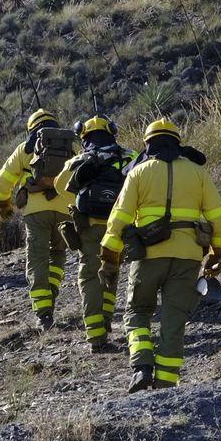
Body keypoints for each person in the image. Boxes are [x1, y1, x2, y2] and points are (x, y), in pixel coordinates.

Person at [100, 119, 221, 392]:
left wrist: (109, 259)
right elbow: (218, 216)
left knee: (137, 311)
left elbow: (119, 219)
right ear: (177, 142)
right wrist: (218, 253)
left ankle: (142, 367)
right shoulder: (197, 173)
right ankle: (166, 387)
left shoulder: (138, 173)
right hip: (187, 257)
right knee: (174, 321)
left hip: (148, 256)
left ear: (148, 144)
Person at [0, 109, 79, 330]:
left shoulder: (25, 149)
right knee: (58, 254)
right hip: (64, 209)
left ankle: (43, 313)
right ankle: (51, 293)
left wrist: (5, 204)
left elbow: (3, 180)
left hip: (35, 212)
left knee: (37, 258)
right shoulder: (70, 147)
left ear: (31, 128)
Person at [59, 116, 137, 352]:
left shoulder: (80, 159)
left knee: (90, 277)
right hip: (119, 226)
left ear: (83, 136)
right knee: (111, 272)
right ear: (112, 132)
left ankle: (96, 336)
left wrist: (79, 199)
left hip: (91, 228)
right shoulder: (129, 156)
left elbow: (59, 185)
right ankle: (105, 318)